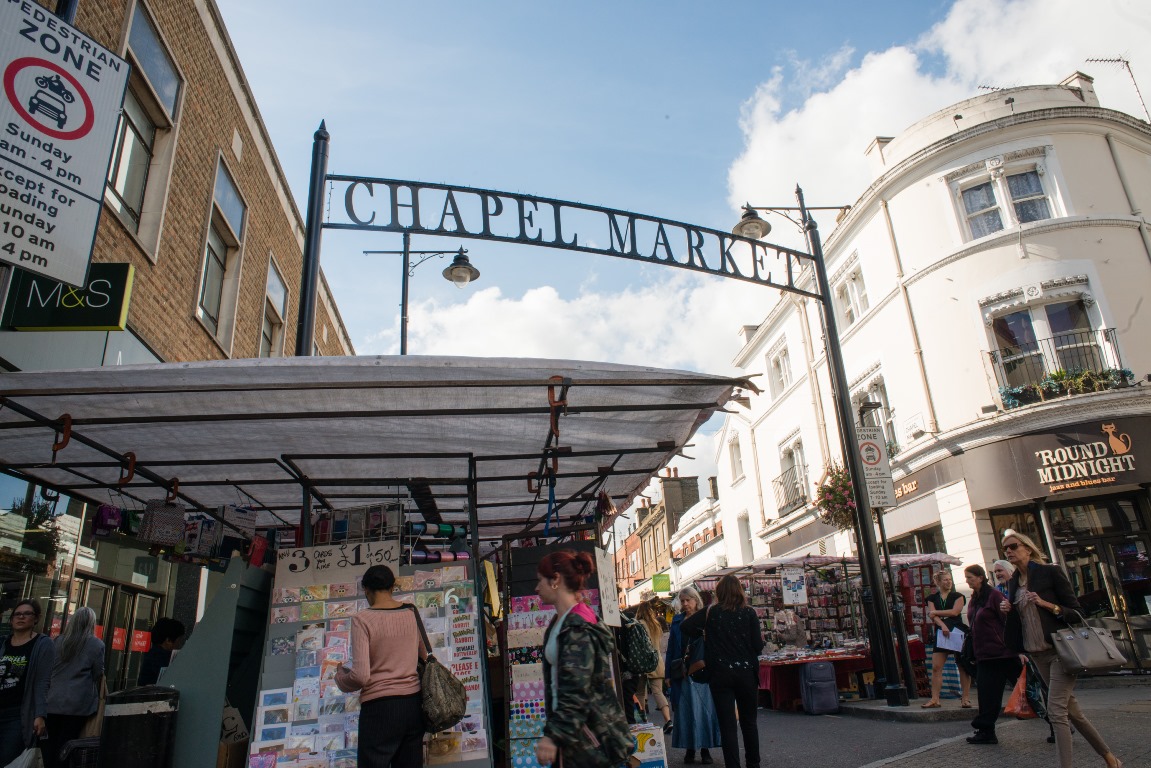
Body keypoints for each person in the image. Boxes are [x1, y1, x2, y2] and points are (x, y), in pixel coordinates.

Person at [999, 529, 1123, 768]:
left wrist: (1047, 604)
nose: (1009, 551)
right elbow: (1024, 620)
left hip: (1060, 651)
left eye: (1014, 546)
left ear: (1028, 547)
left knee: (1056, 712)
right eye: (1006, 548)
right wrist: (1009, 611)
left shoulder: (1049, 572)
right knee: (1073, 712)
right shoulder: (1013, 581)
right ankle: (1111, 759)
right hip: (1037, 654)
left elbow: (1077, 612)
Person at [535, 550, 632, 768]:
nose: (536, 587)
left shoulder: (578, 626)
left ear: (556, 580)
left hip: (591, 741)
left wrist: (553, 736)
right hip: (578, 739)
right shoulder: (562, 622)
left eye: (540, 580)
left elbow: (577, 690)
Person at [335, 565, 426, 768]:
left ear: (366, 589)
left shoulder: (362, 620)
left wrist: (340, 678)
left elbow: (360, 676)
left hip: (380, 708)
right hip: (413, 704)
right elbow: (423, 656)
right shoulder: (411, 612)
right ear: (393, 587)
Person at [681, 574, 764, 768]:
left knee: (727, 726)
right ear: (739, 590)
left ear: (719, 592)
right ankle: (753, 764)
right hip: (746, 673)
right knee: (749, 722)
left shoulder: (712, 612)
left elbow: (686, 626)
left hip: (720, 674)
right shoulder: (749, 613)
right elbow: (758, 646)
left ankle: (733, 765)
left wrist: (703, 632)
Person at [962, 564, 1019, 745]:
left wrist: (1017, 648)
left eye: (970, 577)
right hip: (985, 656)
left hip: (1003, 653)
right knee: (986, 695)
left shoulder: (994, 595)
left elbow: (1007, 621)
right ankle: (986, 731)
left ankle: (1055, 723)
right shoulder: (974, 599)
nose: (967, 581)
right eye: (966, 578)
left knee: (1027, 690)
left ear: (980, 577)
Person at [665, 587, 719, 765]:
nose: (685, 603)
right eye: (682, 601)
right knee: (686, 711)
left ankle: (705, 749)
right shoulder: (677, 621)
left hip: (702, 671)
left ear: (696, 600)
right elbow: (672, 648)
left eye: (688, 600)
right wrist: (668, 675)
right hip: (682, 672)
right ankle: (690, 748)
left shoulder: (705, 619)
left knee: (704, 711)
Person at [45, 607, 104, 768]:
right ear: (92, 623)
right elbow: (98, 673)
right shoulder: (96, 644)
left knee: (50, 743)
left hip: (52, 700)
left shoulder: (58, 641)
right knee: (69, 743)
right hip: (78, 703)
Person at [0, 600, 55, 766]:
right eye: (17, 614)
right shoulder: (2, 642)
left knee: (7, 759)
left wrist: (40, 715)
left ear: (36, 619)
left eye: (27, 614)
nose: (21, 617)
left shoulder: (43, 644)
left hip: (17, 714)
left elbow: (42, 682)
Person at [922, 570, 972, 708]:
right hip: (941, 630)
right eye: (945, 580)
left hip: (956, 629)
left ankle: (965, 698)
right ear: (938, 582)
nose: (948, 582)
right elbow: (932, 616)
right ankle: (935, 698)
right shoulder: (932, 598)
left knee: (962, 665)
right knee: (937, 667)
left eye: (950, 579)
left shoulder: (958, 596)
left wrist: (936, 612)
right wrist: (942, 624)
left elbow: (955, 612)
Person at [634, 600, 672, 732]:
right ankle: (668, 720)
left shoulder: (638, 624)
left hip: (643, 662)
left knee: (639, 692)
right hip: (657, 661)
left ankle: (643, 722)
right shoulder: (657, 625)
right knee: (658, 691)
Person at [137, 617, 185, 686]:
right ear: (168, 640)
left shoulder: (153, 654)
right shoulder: (161, 657)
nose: (180, 644)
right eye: (179, 640)